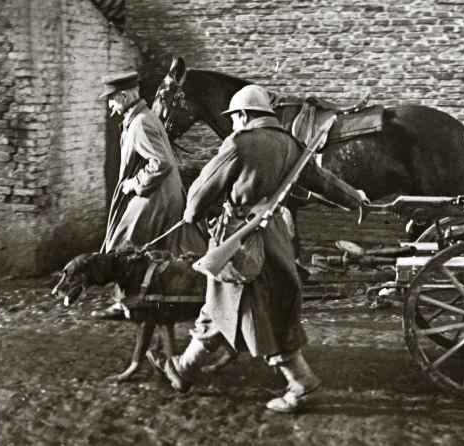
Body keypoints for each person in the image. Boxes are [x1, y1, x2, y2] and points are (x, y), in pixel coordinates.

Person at [147, 84, 369, 413]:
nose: (233, 124)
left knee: (258, 311)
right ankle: (183, 367)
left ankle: (302, 384)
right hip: (274, 237)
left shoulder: (239, 143)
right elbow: (322, 181)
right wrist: (355, 199)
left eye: (234, 118)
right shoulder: (292, 145)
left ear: (243, 115)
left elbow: (198, 195)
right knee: (223, 304)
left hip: (240, 238)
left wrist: (193, 216)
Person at [95, 71, 206, 319]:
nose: (110, 105)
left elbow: (161, 163)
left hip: (157, 195)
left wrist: (134, 184)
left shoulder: (141, 122)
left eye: (111, 99)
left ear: (124, 96)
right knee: (168, 248)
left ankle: (126, 300)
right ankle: (157, 297)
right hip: (162, 193)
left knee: (126, 241)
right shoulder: (139, 118)